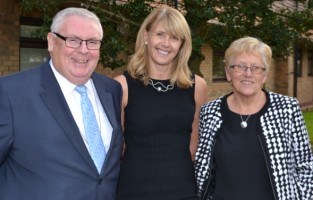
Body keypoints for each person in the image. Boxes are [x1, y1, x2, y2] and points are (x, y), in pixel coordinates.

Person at [0, 7, 123, 200]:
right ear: (51, 42)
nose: (83, 50)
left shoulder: (112, 90)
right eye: (72, 40)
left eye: (92, 42)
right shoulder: (10, 93)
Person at [194, 36, 313, 200]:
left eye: (256, 67)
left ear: (264, 75)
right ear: (228, 73)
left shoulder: (287, 109)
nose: (248, 74)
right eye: (240, 67)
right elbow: (202, 166)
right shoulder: (210, 112)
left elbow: (306, 165)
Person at [114, 6, 208, 200]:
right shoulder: (122, 86)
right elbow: (117, 148)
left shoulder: (197, 86)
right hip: (134, 191)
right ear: (146, 36)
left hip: (183, 190)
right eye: (160, 34)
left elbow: (193, 145)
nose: (166, 43)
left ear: (182, 44)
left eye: (175, 38)